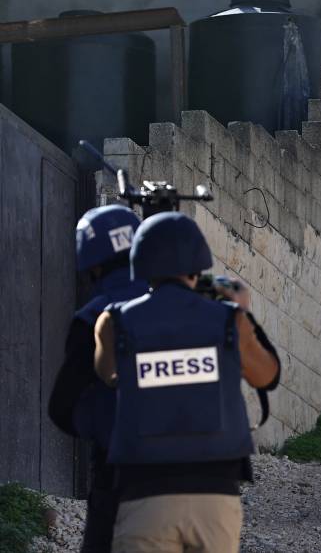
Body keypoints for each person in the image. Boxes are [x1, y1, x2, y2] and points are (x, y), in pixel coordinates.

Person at [93, 211, 280, 553]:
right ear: (198, 265)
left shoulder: (113, 322)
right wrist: (242, 312)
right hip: (214, 494)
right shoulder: (228, 321)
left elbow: (108, 375)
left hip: (144, 493)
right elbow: (266, 376)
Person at [48, 205, 148, 553]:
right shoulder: (190, 306)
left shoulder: (94, 317)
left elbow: (61, 407)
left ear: (93, 263)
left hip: (118, 480)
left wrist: (104, 423)